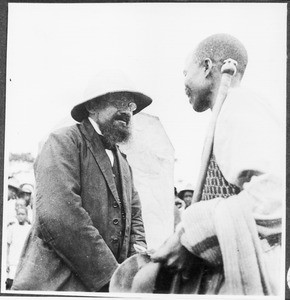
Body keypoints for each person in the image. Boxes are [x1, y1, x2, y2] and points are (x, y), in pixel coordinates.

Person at [151, 34, 282, 295]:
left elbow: (276, 195)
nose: (184, 84)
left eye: (185, 73)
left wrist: (191, 234)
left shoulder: (240, 104)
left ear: (207, 67)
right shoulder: (227, 111)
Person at [12, 71, 152, 292]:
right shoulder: (63, 142)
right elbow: (59, 215)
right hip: (56, 288)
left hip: (106, 291)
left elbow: (136, 223)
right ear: (92, 106)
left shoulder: (124, 164)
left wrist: (135, 270)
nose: (126, 111)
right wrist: (111, 277)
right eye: (118, 101)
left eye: (131, 105)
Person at [6, 207, 31, 290]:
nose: (20, 216)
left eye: (23, 214)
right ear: (16, 215)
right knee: (11, 283)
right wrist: (7, 262)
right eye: (19, 214)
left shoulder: (29, 228)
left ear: (26, 215)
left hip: (24, 261)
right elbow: (8, 245)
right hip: (13, 261)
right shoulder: (12, 228)